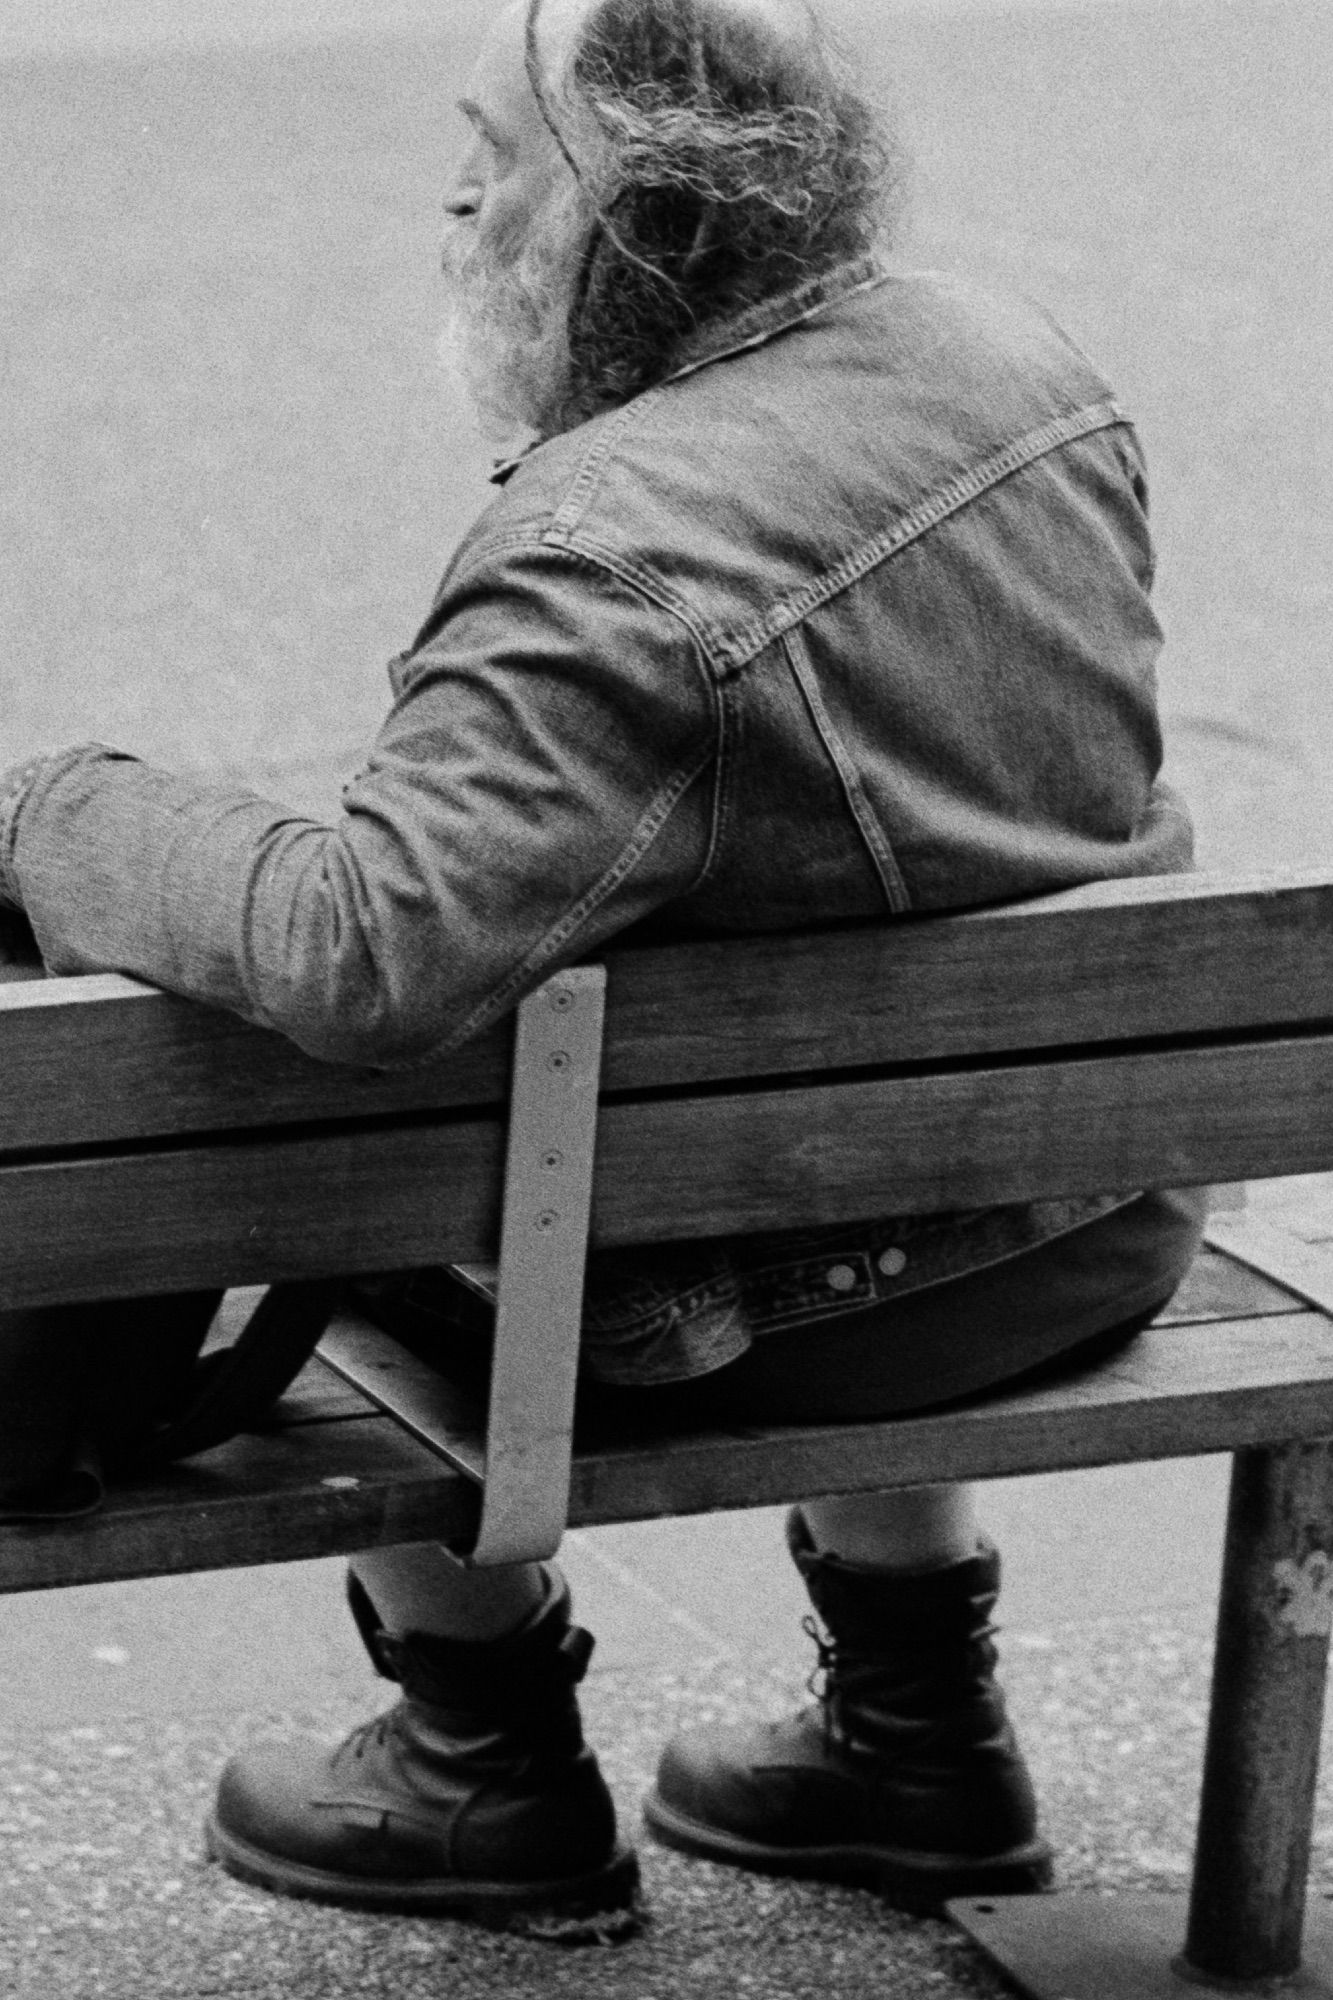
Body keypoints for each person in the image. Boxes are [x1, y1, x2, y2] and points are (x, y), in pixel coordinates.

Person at [0, 0, 1205, 1938]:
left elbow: (362, 953)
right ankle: (919, 1732)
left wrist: (51, 809)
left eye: (498, 147)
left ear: (639, 210)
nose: (454, 192)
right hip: (1104, 1200)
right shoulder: (1008, 359)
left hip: (806, 1289)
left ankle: (482, 1765)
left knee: (304, 1099)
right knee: (756, 1038)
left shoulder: (608, 549)